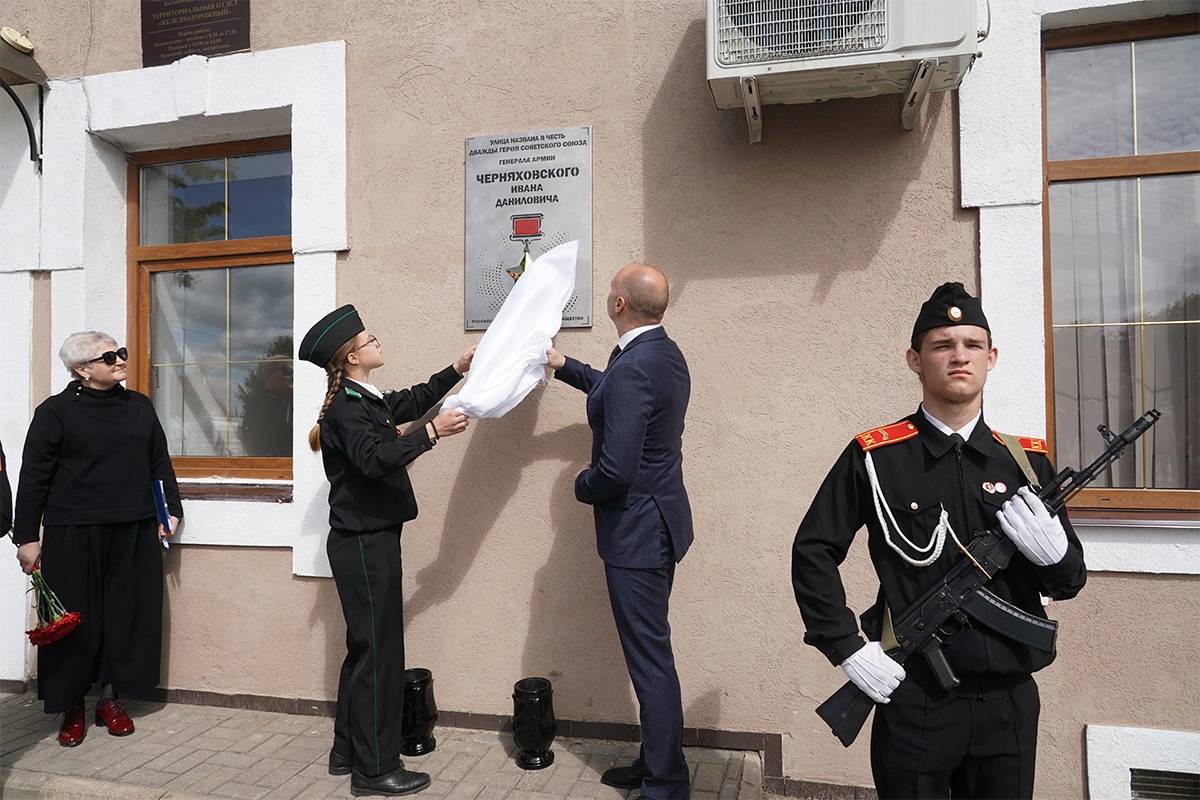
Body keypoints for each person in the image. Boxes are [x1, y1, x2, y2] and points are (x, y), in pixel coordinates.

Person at [790, 283, 1087, 800]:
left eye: (973, 344)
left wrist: (1056, 556)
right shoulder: (876, 457)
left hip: (1009, 706)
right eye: (942, 345)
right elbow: (813, 550)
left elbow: (1069, 581)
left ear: (991, 358)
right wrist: (846, 647)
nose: (959, 356)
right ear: (915, 360)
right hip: (915, 701)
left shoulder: (1025, 464)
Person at [299, 304, 473, 797]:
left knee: (365, 650)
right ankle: (375, 770)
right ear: (352, 357)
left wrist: (456, 369)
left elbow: (410, 400)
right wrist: (432, 433)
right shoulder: (347, 408)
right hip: (363, 543)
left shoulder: (362, 398)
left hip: (368, 538)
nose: (377, 341)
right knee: (379, 655)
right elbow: (375, 460)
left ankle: (346, 752)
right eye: (368, 339)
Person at [546, 262, 693, 800]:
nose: (608, 295)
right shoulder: (661, 353)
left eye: (611, 290)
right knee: (651, 656)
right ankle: (657, 762)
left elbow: (614, 471)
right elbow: (613, 390)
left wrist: (580, 485)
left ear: (619, 304)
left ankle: (665, 785)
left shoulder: (635, 365)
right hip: (658, 524)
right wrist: (563, 365)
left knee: (650, 662)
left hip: (638, 533)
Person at [12, 331, 181, 747]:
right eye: (108, 357)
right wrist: (27, 537)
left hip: (133, 527)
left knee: (126, 616)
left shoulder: (138, 407)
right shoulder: (54, 413)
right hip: (74, 531)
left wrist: (170, 511)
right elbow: (33, 477)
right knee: (75, 622)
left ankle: (110, 699)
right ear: (82, 370)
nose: (120, 359)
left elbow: (159, 462)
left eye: (120, 352)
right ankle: (72, 706)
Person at [238, 356, 294, 456]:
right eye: (287, 371)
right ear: (269, 374)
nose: (292, 376)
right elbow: (253, 443)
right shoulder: (259, 403)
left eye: (294, 372)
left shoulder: (290, 401)